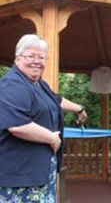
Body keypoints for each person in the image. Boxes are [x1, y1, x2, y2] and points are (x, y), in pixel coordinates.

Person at [0, 34, 87, 202]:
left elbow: (57, 100)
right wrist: (52, 139)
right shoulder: (11, 84)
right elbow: (18, 125)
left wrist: (79, 109)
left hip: (39, 174)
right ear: (18, 59)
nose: (37, 61)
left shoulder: (38, 84)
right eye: (31, 56)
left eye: (41, 57)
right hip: (19, 179)